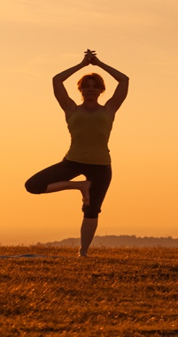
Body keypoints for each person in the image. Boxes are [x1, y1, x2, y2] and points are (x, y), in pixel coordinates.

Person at [25, 50, 129, 257]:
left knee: (92, 211)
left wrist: (98, 64)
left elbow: (124, 80)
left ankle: (83, 252)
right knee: (32, 186)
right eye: (86, 86)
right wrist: (82, 64)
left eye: (95, 86)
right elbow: (57, 80)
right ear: (80, 89)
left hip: (101, 166)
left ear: (101, 90)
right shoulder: (71, 109)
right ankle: (80, 186)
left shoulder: (109, 109)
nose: (91, 90)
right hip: (73, 162)